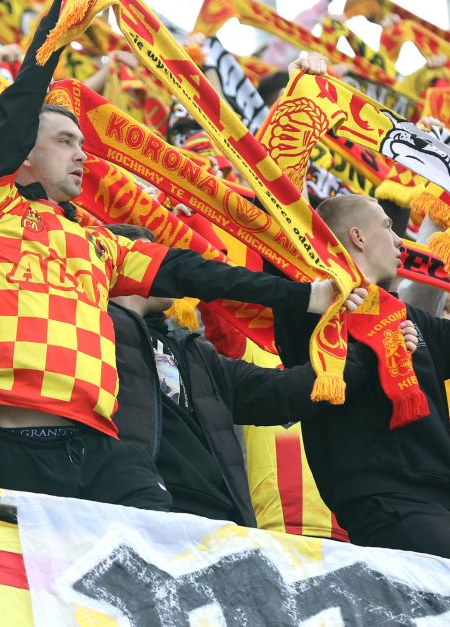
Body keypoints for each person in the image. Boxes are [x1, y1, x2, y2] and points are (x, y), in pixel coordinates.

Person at [0, 0, 361, 509]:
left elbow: (197, 272)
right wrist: (63, 15)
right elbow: (20, 102)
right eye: (65, 142)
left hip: (99, 443)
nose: (82, 155)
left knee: (162, 535)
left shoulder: (100, 244)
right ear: (23, 152)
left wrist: (305, 295)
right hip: (11, 439)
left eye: (82, 143)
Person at [273, 189, 450, 567]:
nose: (400, 240)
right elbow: (277, 211)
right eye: (388, 227)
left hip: (447, 510)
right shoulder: (311, 309)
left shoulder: (410, 319)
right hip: (387, 505)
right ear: (358, 237)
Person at [106, 224, 369, 526]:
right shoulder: (94, 334)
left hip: (221, 519)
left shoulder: (195, 353)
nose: (167, 263)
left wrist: (368, 347)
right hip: (140, 514)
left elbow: (281, 392)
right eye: (153, 255)